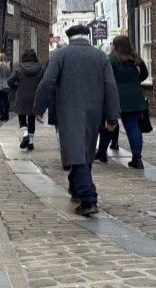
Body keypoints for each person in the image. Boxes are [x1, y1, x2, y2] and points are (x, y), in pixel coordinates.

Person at [33, 24, 120, 216]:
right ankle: (76, 188)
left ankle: (89, 198)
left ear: (69, 37)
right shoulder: (101, 57)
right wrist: (112, 116)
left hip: (69, 110)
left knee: (77, 152)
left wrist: (39, 108)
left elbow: (47, 81)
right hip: (94, 112)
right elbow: (111, 88)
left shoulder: (61, 55)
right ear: (87, 37)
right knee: (85, 151)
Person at [102, 35, 149, 169]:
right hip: (135, 97)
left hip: (116, 96)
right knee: (134, 127)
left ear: (116, 45)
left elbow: (106, 77)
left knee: (110, 123)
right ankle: (137, 158)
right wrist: (134, 82)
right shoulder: (136, 59)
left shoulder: (111, 59)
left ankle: (102, 153)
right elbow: (145, 74)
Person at [8, 48, 43, 151]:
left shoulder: (19, 68)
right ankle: (31, 142)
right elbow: (44, 82)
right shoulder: (40, 69)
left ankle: (25, 134)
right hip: (35, 97)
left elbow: (10, 80)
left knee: (22, 117)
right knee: (32, 118)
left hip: (22, 96)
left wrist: (16, 88)